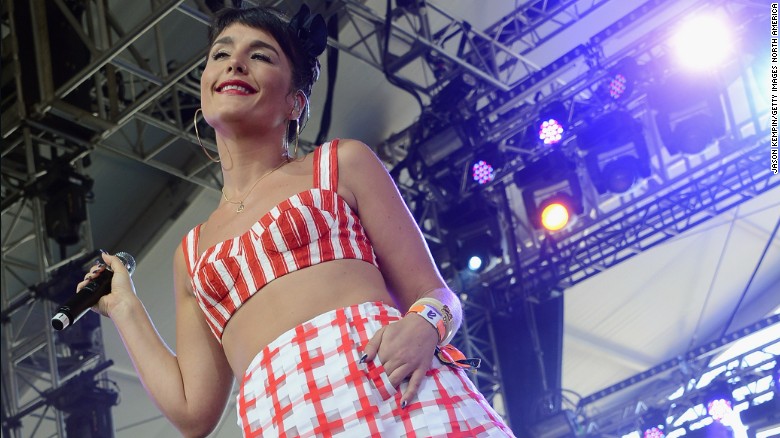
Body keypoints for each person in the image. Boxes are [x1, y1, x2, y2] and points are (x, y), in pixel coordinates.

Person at [79, 4, 514, 437]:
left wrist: (424, 325)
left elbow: (436, 293)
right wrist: (124, 308)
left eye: (261, 55)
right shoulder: (191, 254)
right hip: (291, 423)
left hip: (402, 400)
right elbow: (194, 412)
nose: (235, 62)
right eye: (220, 54)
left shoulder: (341, 165)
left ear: (294, 101)